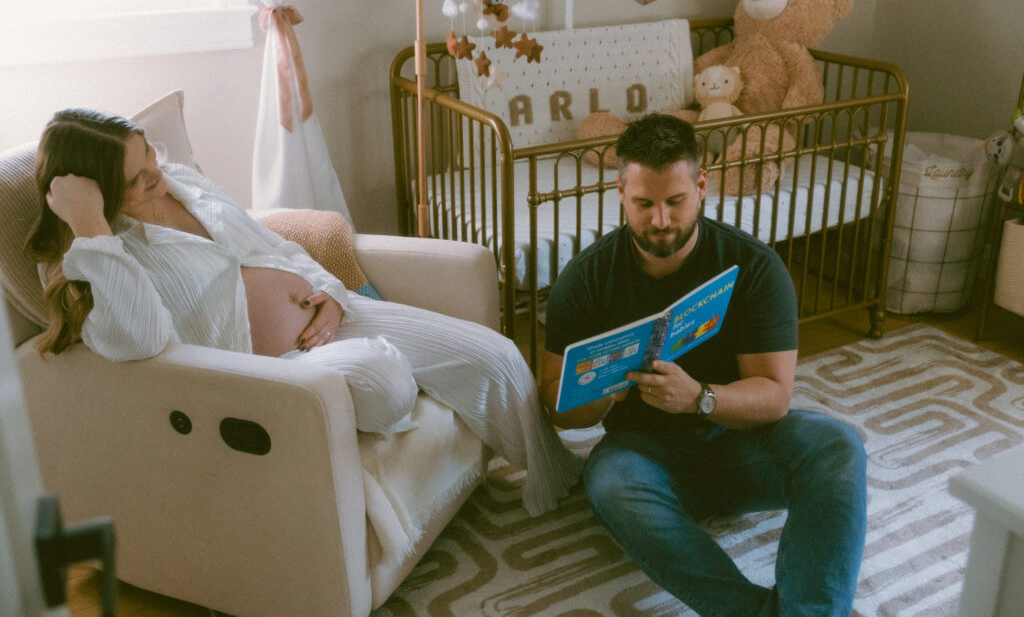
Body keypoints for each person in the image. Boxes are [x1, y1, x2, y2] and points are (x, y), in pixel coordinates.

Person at [25, 107, 582, 517]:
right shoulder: (97, 260)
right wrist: (92, 228)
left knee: (497, 352)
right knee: (384, 382)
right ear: (97, 195)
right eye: (138, 176)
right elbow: (140, 342)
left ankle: (560, 491)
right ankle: (392, 372)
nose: (157, 174)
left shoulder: (184, 184)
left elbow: (273, 247)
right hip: (276, 369)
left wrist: (333, 295)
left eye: (150, 153)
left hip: (334, 313)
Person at [540, 113, 867, 615]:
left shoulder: (754, 267)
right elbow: (559, 409)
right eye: (643, 204)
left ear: (702, 186)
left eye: (675, 201)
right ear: (620, 192)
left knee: (839, 446)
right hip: (644, 456)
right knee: (607, 481)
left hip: (742, 443)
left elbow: (775, 397)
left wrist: (699, 397)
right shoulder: (585, 278)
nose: (661, 221)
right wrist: (606, 389)